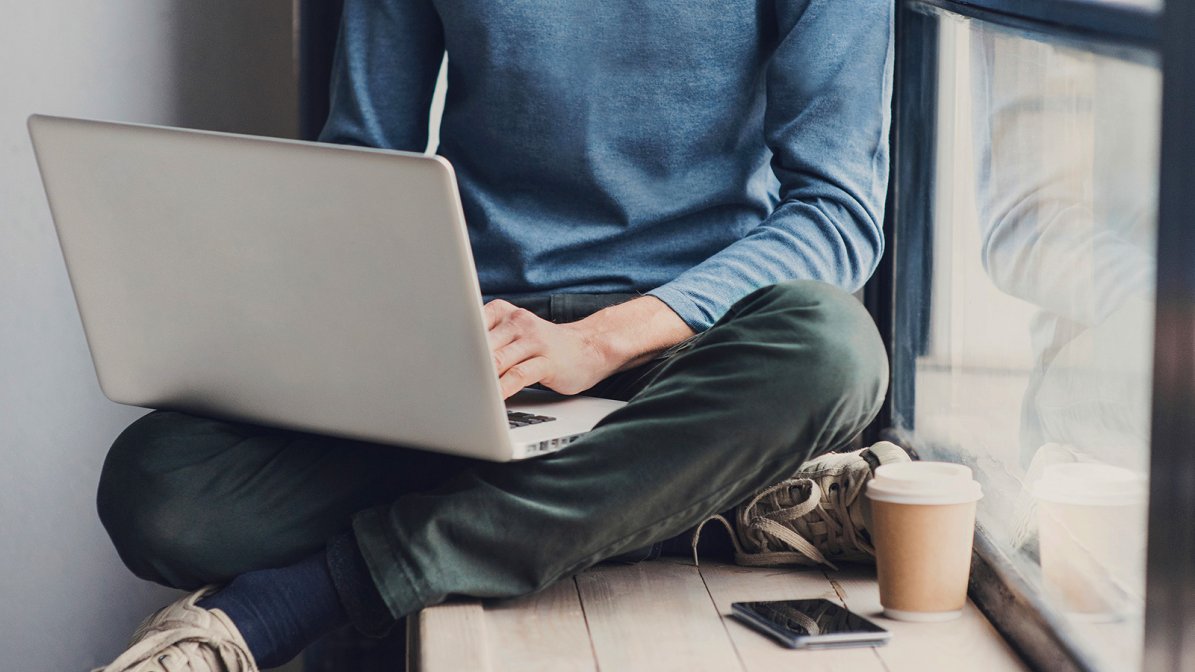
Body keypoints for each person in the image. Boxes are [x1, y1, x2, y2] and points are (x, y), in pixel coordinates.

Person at [95, 1, 897, 670]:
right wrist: (341, 340)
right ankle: (691, 501)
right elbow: (365, 162)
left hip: (686, 347)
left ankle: (321, 592)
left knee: (833, 348)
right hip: (477, 339)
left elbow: (835, 214)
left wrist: (601, 340)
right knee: (161, 490)